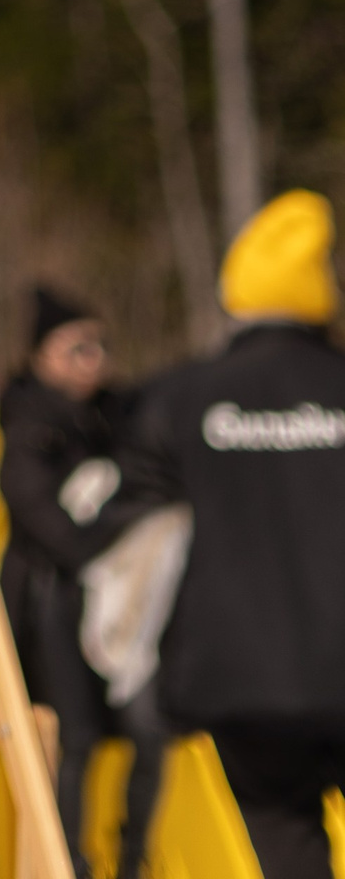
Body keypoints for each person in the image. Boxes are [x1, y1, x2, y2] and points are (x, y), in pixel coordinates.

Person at [123, 191, 345, 879]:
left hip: (240, 680)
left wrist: (136, 665)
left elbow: (135, 541)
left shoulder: (178, 399)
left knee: (286, 841)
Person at [0, 286, 167, 879]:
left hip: (125, 604)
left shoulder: (123, 416)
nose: (93, 359)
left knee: (151, 731)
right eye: (76, 348)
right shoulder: (27, 423)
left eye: (100, 345)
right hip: (56, 602)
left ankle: (132, 860)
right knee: (78, 739)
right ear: (40, 356)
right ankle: (69, 863)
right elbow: (53, 528)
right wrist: (123, 521)